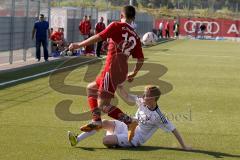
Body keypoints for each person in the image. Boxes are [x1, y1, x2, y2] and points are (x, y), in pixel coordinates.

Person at [69, 5, 144, 140]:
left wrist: (79, 45)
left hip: (112, 69)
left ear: (122, 15)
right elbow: (141, 59)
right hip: (121, 71)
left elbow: (99, 37)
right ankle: (96, 119)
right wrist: (134, 73)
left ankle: (129, 122)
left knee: (103, 106)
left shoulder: (116, 25)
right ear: (133, 18)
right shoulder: (136, 36)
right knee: (91, 88)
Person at [68, 85, 191, 150]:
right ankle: (77, 139)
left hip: (135, 138)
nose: (143, 96)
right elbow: (127, 97)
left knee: (106, 141)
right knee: (103, 122)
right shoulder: (142, 102)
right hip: (127, 125)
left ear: (153, 99)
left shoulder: (158, 116)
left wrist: (184, 146)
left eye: (146, 95)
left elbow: (173, 129)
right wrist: (120, 87)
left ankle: (116, 140)